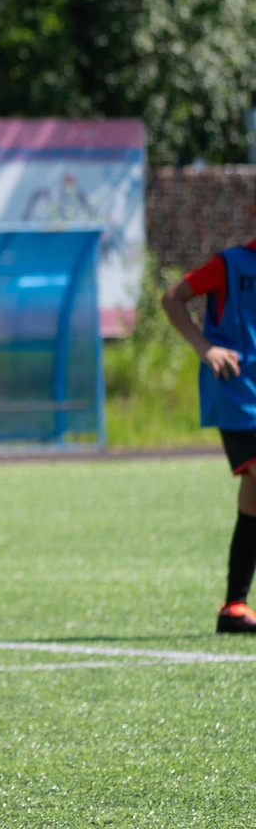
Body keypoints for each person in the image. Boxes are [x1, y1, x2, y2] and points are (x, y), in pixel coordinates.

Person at [161, 246, 256, 633]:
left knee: (253, 499)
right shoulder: (230, 264)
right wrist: (205, 348)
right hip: (238, 394)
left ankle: (234, 607)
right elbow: (172, 298)